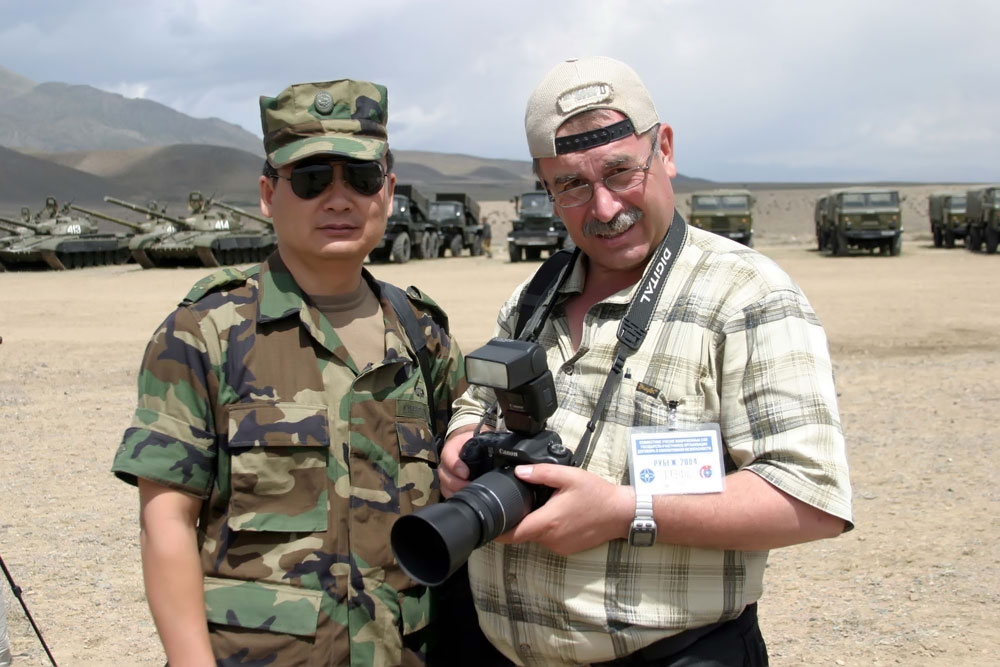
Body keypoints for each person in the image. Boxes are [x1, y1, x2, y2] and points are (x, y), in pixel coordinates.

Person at [440, 56, 853, 666]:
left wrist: (626, 512)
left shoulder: (746, 294)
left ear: (665, 149)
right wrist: (462, 440)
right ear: (546, 189)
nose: (604, 208)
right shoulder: (534, 296)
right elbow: (477, 402)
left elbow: (810, 498)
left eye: (620, 172)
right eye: (571, 186)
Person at [113, 79, 471, 666]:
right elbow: (167, 521)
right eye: (311, 179)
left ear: (388, 192)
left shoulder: (421, 334)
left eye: (361, 179)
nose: (339, 200)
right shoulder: (207, 333)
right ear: (267, 195)